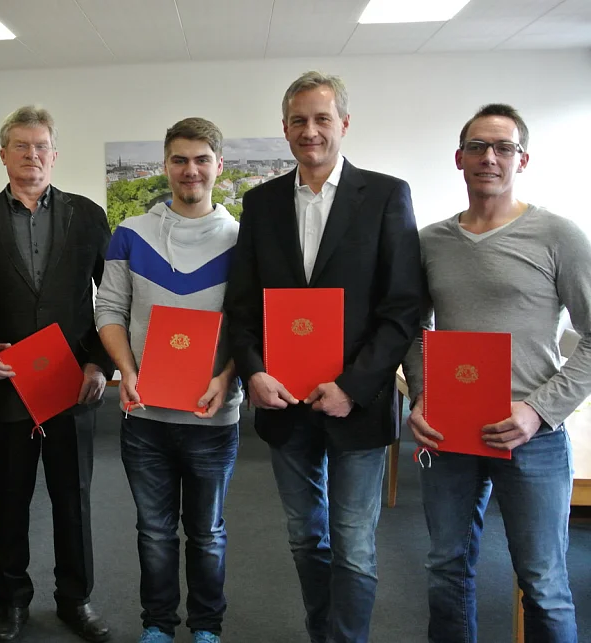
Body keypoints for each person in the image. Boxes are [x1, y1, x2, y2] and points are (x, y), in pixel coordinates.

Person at [223, 71, 423, 643]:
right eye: (298, 121)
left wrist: (353, 386)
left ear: (344, 124)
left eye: (321, 119)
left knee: (355, 542)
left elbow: (402, 306)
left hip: (355, 404)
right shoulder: (259, 204)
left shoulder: (386, 195)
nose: (310, 131)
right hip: (283, 401)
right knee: (305, 536)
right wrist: (254, 370)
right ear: (284, 129)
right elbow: (243, 306)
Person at [402, 104, 591, 643]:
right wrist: (421, 394)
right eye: (478, 147)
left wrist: (537, 410)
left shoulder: (559, 235)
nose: (489, 157)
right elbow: (416, 328)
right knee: (446, 569)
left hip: (534, 437)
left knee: (544, 581)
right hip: (451, 433)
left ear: (522, 159)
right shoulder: (430, 242)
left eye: (502, 148)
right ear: (458, 158)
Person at [0, 105, 113, 643]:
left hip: (70, 383)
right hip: (7, 384)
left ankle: (76, 600)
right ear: (3, 155)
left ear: (55, 153)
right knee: (10, 499)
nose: (32, 155)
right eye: (20, 146)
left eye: (41, 145)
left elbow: (111, 300)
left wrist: (100, 362)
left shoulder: (87, 215)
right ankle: (12, 601)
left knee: (74, 497)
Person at [95, 117, 242, 643]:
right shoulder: (130, 234)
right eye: (179, 159)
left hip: (212, 416)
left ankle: (206, 627)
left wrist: (228, 376)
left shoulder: (241, 240)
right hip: (146, 416)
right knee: (154, 533)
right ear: (165, 165)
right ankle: (158, 625)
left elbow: (250, 325)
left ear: (218, 167)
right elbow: (109, 310)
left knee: (207, 534)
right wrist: (127, 373)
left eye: (201, 159)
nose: (190, 170)